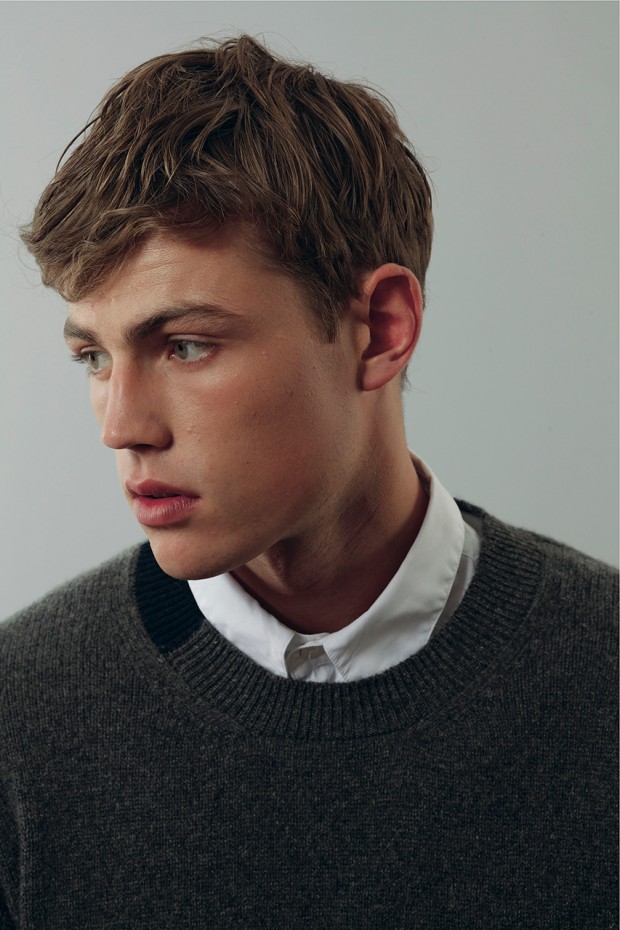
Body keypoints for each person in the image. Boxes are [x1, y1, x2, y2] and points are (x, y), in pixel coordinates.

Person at [0, 34, 616, 930]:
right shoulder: (20, 721)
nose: (120, 426)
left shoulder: (603, 677)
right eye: (93, 355)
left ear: (381, 330)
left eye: (186, 345)